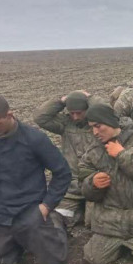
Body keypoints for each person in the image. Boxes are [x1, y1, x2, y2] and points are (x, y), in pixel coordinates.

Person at [0, 95, 71, 264]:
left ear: (10, 115)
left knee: (55, 261)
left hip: (29, 210)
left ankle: (55, 223)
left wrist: (46, 206)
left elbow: (62, 172)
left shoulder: (35, 139)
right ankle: (15, 242)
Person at [78, 103, 133, 264]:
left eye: (98, 126)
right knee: (95, 258)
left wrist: (121, 155)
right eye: (92, 128)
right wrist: (93, 183)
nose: (95, 132)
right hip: (110, 224)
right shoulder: (92, 152)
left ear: (110, 122)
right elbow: (84, 188)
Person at [34, 90, 97, 227]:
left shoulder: (98, 124)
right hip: (72, 185)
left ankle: (86, 212)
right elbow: (40, 117)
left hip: (95, 184)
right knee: (58, 217)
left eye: (79, 113)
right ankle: (79, 212)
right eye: (71, 113)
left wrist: (90, 98)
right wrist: (61, 101)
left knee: (94, 222)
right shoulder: (65, 124)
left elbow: (111, 114)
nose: (75, 117)